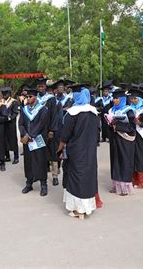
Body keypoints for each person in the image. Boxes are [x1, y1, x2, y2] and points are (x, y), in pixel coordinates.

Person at [58, 85, 99, 219]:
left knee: (76, 176)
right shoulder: (93, 112)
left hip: (76, 150)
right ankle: (88, 207)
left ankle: (79, 210)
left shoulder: (72, 113)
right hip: (90, 150)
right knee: (88, 174)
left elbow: (65, 135)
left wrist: (59, 148)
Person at [19, 88, 50, 196]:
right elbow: (21, 123)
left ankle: (43, 185)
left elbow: (41, 124)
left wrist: (31, 135)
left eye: (30, 97)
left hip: (38, 139)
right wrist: (24, 134)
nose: (27, 98)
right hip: (28, 141)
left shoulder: (43, 109)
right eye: (26, 97)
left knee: (40, 161)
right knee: (28, 162)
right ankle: (29, 183)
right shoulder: (24, 109)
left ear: (35, 97)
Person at [107, 90, 136, 196]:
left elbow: (132, 128)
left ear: (122, 99)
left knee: (124, 161)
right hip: (115, 139)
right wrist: (110, 123)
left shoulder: (129, 111)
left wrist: (117, 125)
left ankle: (125, 188)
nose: (115, 100)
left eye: (117, 98)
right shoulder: (112, 110)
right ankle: (116, 185)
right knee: (115, 161)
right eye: (114, 98)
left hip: (125, 140)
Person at [128, 88, 143, 189]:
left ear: (140, 99)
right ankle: (134, 180)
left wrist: (140, 123)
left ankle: (142, 181)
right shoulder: (129, 109)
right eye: (132, 98)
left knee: (142, 157)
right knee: (133, 157)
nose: (133, 100)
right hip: (133, 136)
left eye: (135, 99)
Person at [1, 87, 20, 165]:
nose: (4, 96)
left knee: (13, 140)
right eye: (3, 94)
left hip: (11, 124)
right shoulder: (1, 102)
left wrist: (10, 118)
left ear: (8, 94)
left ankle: (16, 157)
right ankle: (7, 156)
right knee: (4, 140)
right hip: (3, 124)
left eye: (5, 94)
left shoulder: (14, 102)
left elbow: (15, 113)